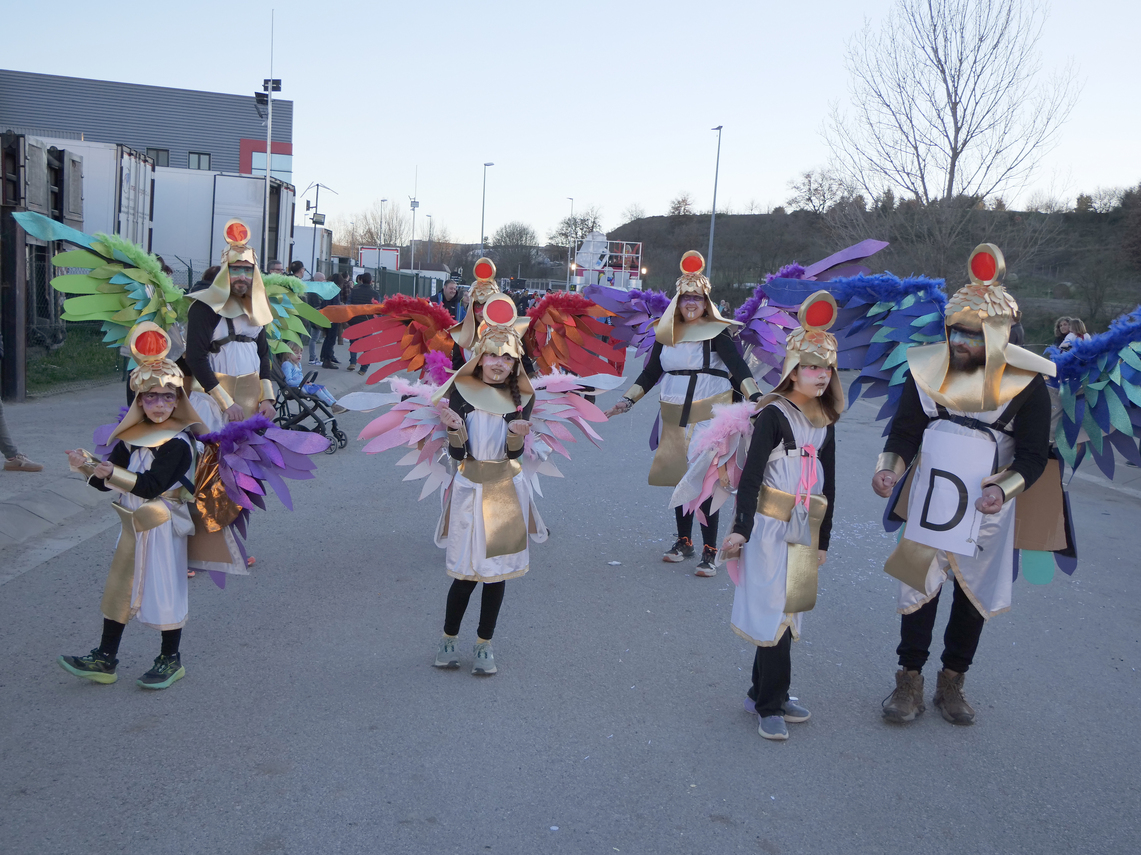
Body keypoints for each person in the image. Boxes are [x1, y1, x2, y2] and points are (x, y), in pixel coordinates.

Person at [872, 244, 1055, 726]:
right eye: (955, 332)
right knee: (919, 588)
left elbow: (1035, 455)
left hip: (987, 508)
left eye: (973, 334)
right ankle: (908, 679)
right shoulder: (927, 370)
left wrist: (1004, 489)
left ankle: (952, 680)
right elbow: (905, 430)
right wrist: (889, 467)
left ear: (1001, 334)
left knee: (970, 596)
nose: (960, 342)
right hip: (930, 498)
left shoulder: (1028, 383)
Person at [720, 291, 842, 741]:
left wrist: (824, 539)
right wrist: (741, 530)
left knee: (791, 611)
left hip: (804, 529)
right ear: (792, 370)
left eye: (827, 368)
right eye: (811, 367)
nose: (820, 375)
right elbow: (750, 479)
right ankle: (771, 703)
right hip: (769, 529)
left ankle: (763, 692)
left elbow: (830, 483)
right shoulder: (772, 415)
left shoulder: (826, 420)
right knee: (773, 612)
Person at [58, 323, 204, 689]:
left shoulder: (178, 444)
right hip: (130, 526)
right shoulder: (131, 439)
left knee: (164, 590)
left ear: (178, 400)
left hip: (162, 525)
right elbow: (106, 485)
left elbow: (153, 486)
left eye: (167, 397)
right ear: (138, 400)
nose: (159, 404)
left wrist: (111, 473)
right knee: (120, 588)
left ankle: (171, 658)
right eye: (150, 397)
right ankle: (106, 658)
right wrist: (86, 466)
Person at [606, 251, 761, 575]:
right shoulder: (667, 336)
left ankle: (709, 548)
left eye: (697, 297)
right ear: (678, 300)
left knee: (705, 482)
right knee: (679, 477)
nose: (691, 303)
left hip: (709, 419)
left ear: (706, 302)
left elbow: (738, 368)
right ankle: (684, 541)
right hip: (673, 416)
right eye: (686, 297)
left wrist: (757, 399)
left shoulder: (717, 334)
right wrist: (629, 400)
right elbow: (650, 374)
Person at [429, 295, 547, 675]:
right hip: (468, 489)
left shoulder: (521, 397)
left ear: (516, 363)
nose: (499, 363)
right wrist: (453, 430)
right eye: (493, 356)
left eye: (508, 358)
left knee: (496, 576)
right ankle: (448, 638)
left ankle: (484, 644)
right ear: (479, 356)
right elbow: (459, 455)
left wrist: (516, 435)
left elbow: (513, 454)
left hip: (505, 492)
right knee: (465, 575)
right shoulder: (459, 392)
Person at [184, 219, 276, 433]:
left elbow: (263, 354)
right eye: (235, 270)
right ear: (225, 271)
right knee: (210, 461)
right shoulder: (205, 307)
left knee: (247, 460)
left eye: (248, 270)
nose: (242, 277)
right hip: (211, 401)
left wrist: (267, 397)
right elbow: (195, 357)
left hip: (251, 401)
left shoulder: (256, 307)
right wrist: (225, 401)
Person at [282, 344, 346, 414]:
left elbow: (300, 376)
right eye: (296, 353)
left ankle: (336, 403)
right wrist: (303, 382)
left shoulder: (298, 364)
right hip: (295, 387)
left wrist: (305, 382)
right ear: (288, 354)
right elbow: (289, 381)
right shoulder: (287, 364)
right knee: (317, 390)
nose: (299, 355)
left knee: (322, 387)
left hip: (301, 385)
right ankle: (332, 405)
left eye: (301, 353)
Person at [346, 273, 380, 374]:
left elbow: (348, 305)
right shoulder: (375, 293)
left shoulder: (354, 291)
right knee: (367, 344)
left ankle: (352, 362)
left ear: (361, 280)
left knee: (354, 342)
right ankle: (363, 368)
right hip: (368, 322)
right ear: (371, 281)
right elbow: (378, 309)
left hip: (355, 321)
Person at [320, 273, 345, 369]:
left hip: (326, 316)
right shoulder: (335, 290)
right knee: (331, 339)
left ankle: (325, 356)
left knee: (327, 338)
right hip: (333, 317)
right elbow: (335, 305)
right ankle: (327, 359)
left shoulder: (327, 289)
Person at [306, 272, 327, 365]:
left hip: (313, 315)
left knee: (314, 338)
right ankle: (312, 358)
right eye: (323, 279)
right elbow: (317, 305)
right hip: (315, 316)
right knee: (314, 338)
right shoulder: (315, 292)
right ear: (319, 280)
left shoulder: (312, 290)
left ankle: (313, 357)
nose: (324, 281)